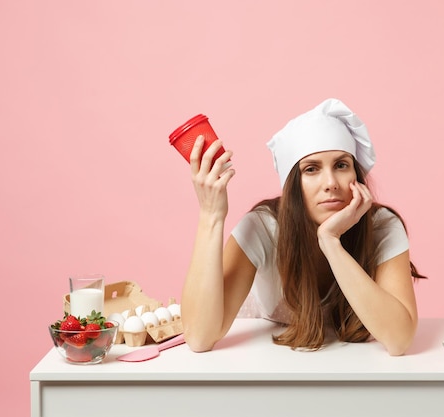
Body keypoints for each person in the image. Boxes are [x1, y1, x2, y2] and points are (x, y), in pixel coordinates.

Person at [181, 98, 425, 356]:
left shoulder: (382, 226)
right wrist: (211, 215)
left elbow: (400, 340)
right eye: (311, 169)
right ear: (293, 186)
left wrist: (330, 242)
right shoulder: (263, 228)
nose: (331, 183)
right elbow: (199, 338)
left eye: (341, 165)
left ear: (356, 174)